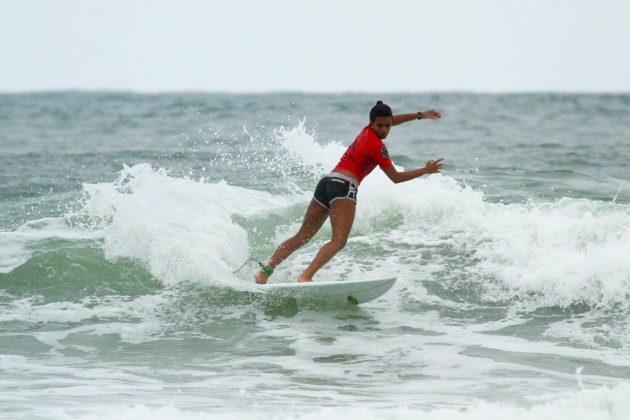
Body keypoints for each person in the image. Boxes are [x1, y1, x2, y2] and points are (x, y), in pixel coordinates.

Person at [255, 100, 443, 284]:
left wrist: (420, 115)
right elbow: (395, 178)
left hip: (327, 182)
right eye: (380, 126)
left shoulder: (366, 130)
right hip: (344, 187)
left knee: (302, 236)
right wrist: (425, 171)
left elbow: (393, 120)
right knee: (339, 240)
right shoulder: (377, 146)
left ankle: (264, 272)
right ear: (372, 123)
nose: (384, 130)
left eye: (387, 126)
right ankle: (305, 276)